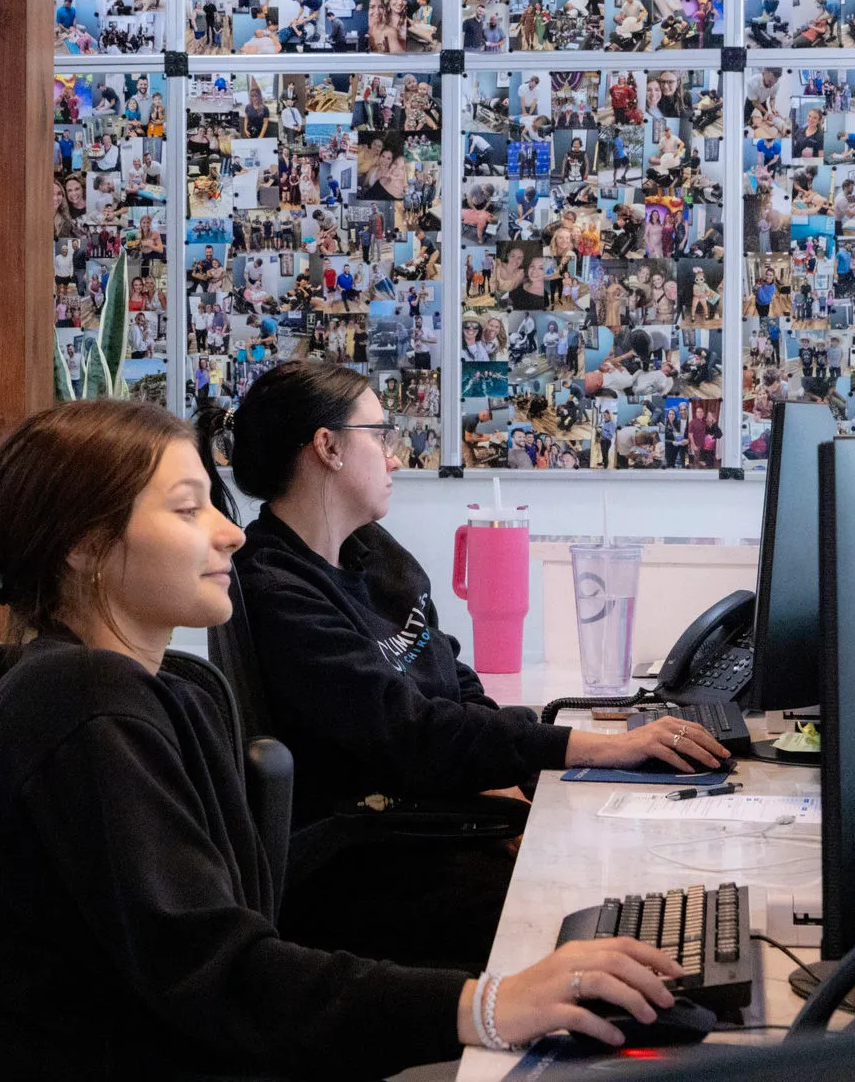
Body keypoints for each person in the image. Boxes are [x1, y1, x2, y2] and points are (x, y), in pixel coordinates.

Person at [0, 401, 687, 1079]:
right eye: (189, 510)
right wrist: (487, 1005)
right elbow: (220, 977)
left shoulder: (154, 692)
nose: (230, 533)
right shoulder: (86, 708)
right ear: (86, 546)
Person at [201, 364, 726, 970]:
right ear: (328, 447)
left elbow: (455, 683)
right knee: (590, 914)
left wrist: (505, 789)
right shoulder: (275, 588)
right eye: (380, 435)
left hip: (431, 823)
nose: (395, 458)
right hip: (369, 864)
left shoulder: (373, 551)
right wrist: (598, 747)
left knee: (620, 846)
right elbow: (409, 731)